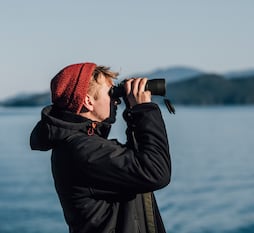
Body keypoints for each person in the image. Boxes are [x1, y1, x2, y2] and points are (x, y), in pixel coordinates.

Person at [30, 62, 171, 233]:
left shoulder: (85, 145)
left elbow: (138, 162)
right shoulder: (82, 151)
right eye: (111, 92)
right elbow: (155, 171)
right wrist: (144, 110)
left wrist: (134, 114)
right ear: (88, 101)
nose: (117, 99)